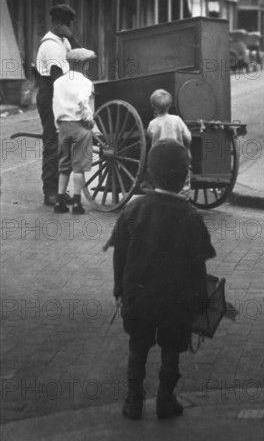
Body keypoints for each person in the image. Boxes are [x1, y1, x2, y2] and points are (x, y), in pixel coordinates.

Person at [110, 139, 216, 420]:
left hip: (139, 297)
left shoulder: (132, 210)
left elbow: (119, 254)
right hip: (176, 302)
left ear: (149, 172)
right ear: (184, 176)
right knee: (172, 351)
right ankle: (165, 401)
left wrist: (119, 289)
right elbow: (197, 266)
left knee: (137, 348)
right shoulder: (191, 216)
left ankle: (133, 401)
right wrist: (201, 301)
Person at [35, 3, 81, 206]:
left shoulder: (63, 41)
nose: (68, 29)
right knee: (52, 142)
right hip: (50, 94)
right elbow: (56, 79)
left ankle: (59, 189)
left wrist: (70, 37)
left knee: (63, 144)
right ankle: (50, 192)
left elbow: (79, 54)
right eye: (65, 25)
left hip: (61, 92)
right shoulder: (51, 45)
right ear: (57, 24)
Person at [52, 48, 96, 215]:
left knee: (64, 165)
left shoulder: (58, 82)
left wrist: (59, 125)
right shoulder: (85, 82)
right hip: (80, 126)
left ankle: (59, 202)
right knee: (79, 167)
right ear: (84, 64)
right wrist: (89, 118)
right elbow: (83, 101)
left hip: (63, 126)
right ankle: (77, 204)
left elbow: (55, 105)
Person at [147, 89, 192, 197]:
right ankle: (183, 199)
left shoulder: (152, 123)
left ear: (153, 106)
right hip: (177, 157)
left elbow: (149, 136)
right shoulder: (177, 119)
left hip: (159, 160)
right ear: (170, 105)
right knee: (184, 180)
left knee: (160, 181)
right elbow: (188, 137)